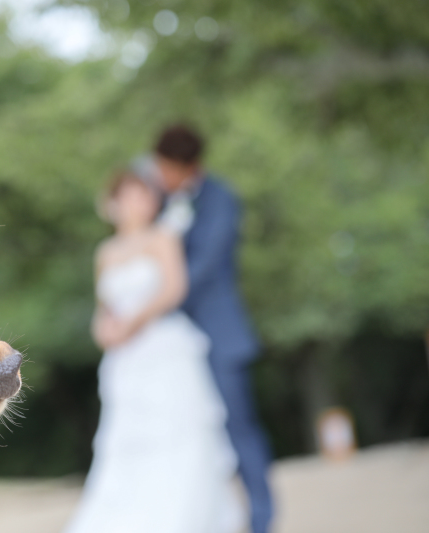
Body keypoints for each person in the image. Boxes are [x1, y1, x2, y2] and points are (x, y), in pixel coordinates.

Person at [65, 171, 243, 533]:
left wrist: (135, 322)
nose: (137, 204)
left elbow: (174, 288)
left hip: (163, 347)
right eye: (129, 196)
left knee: (176, 430)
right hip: (125, 360)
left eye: (144, 196)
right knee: (128, 438)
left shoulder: (163, 237)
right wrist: (105, 332)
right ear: (113, 204)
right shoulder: (106, 251)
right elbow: (104, 308)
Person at [133, 124, 274, 533]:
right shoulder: (157, 199)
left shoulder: (222, 199)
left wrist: (153, 301)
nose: (159, 175)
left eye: (166, 168)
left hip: (218, 335)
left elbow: (203, 269)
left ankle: (262, 518)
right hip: (167, 345)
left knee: (238, 427)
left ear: (187, 166)